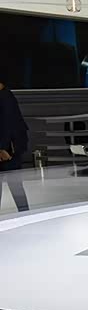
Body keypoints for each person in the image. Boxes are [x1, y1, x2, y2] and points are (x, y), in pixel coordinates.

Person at [0, 64, 30, 212]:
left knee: (15, 185)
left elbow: (8, 125)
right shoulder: (6, 96)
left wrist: (3, 148)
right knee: (16, 185)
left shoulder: (5, 97)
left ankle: (25, 214)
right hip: (9, 147)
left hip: (8, 149)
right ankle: (25, 214)